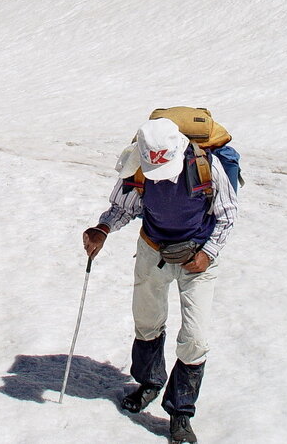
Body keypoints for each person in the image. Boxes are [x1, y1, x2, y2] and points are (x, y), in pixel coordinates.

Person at [83, 117, 237, 444]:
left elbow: (227, 215)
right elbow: (123, 207)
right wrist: (103, 228)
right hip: (153, 250)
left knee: (195, 336)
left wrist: (207, 254)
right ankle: (150, 382)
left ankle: (181, 411)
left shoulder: (204, 166)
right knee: (147, 321)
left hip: (197, 257)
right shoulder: (138, 165)